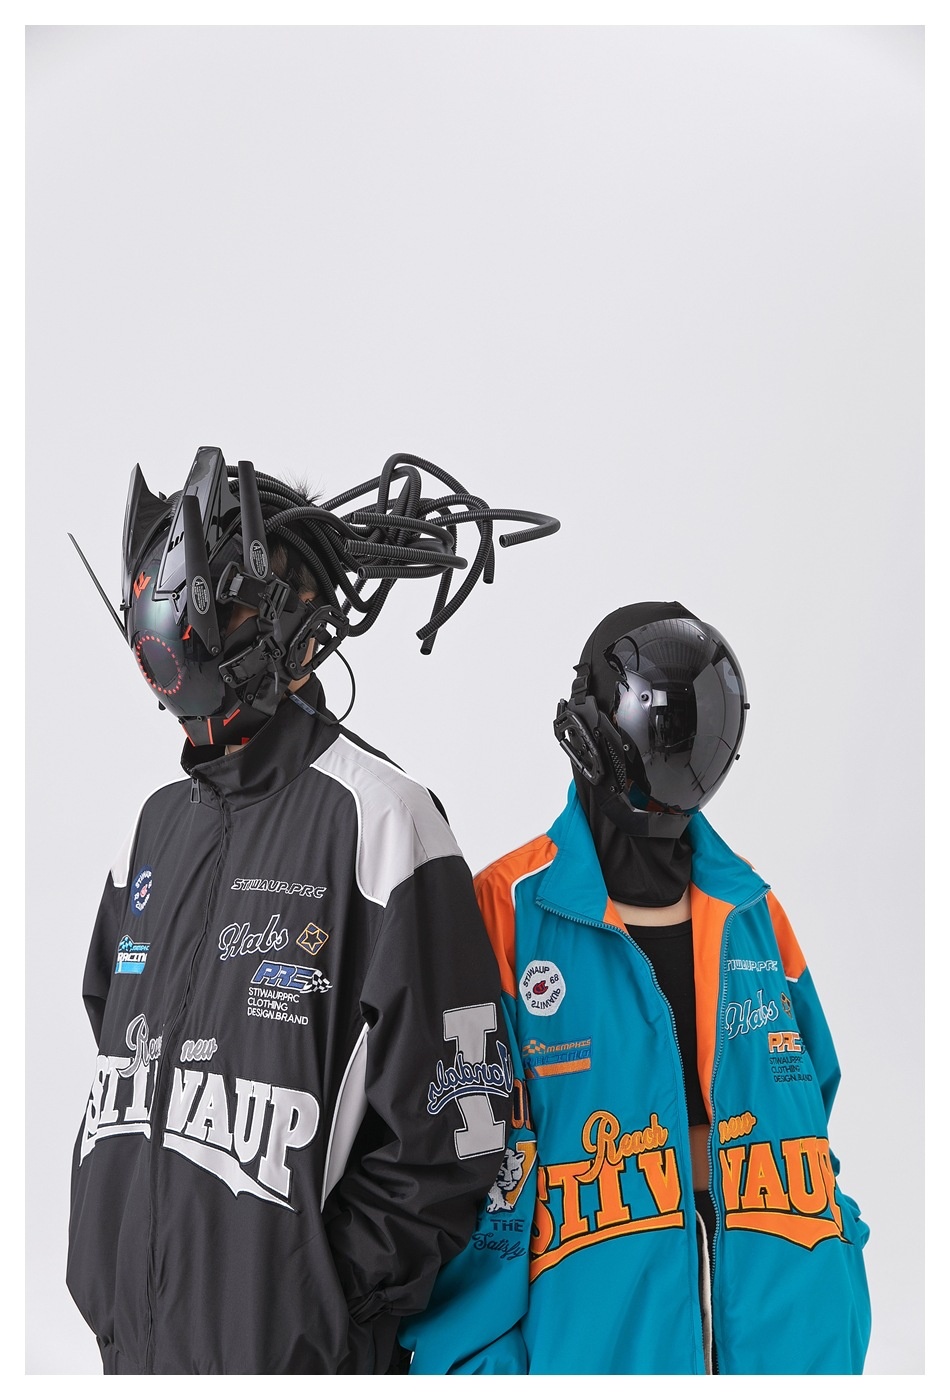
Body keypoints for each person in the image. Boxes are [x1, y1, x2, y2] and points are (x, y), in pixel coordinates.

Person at [65, 446, 559, 1375]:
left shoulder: (385, 823)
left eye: (229, 609)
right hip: (132, 1355)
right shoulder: (153, 829)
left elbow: (467, 1122)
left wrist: (319, 1302)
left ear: (298, 626)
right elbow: (115, 1038)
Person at [400, 601, 871, 1375]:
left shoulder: (753, 912)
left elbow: (814, 1108)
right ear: (589, 727)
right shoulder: (507, 913)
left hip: (791, 1348)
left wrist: (840, 1278)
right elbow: (466, 1173)